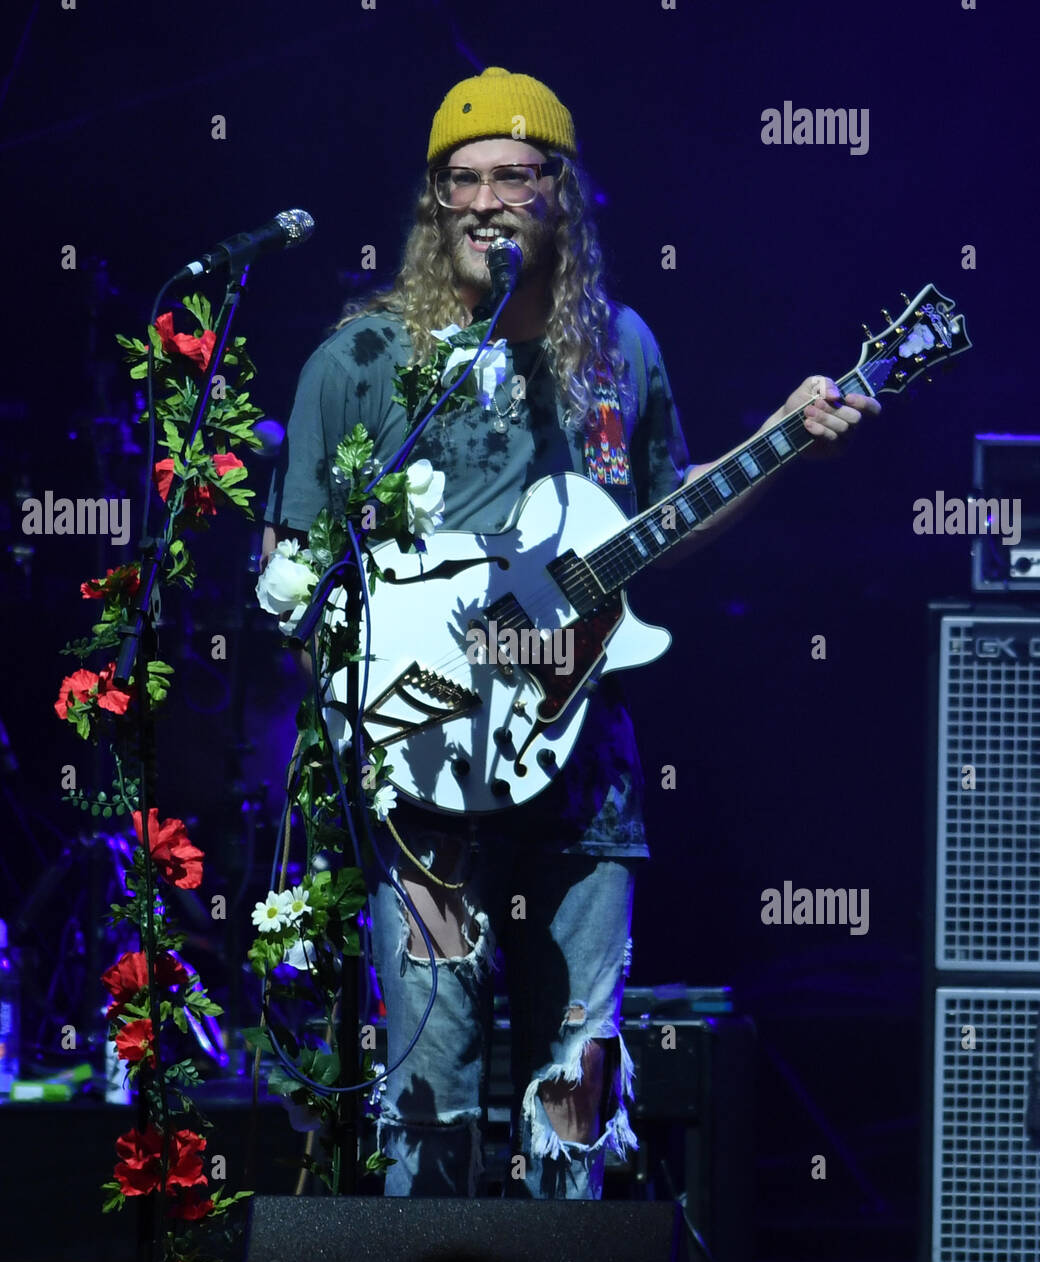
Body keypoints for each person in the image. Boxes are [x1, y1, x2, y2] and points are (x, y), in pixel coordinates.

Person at [261, 66, 879, 1199]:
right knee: (428, 1097)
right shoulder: (358, 362)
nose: (488, 200)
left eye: (515, 176)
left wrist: (784, 439)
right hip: (422, 782)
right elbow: (291, 573)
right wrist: (388, 685)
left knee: (573, 1094)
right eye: (463, 181)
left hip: (580, 779)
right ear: (433, 202)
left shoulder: (619, 350)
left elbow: (651, 521)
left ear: (561, 195)